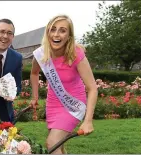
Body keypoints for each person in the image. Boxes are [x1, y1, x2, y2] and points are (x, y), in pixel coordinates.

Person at [30, 15, 98, 154]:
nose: (56, 34)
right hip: (53, 103)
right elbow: (34, 73)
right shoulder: (41, 54)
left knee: (52, 143)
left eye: (62, 30)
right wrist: (35, 96)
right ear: (48, 32)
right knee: (59, 146)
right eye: (53, 29)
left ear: (69, 35)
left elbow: (92, 88)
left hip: (73, 104)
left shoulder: (76, 54)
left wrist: (88, 120)